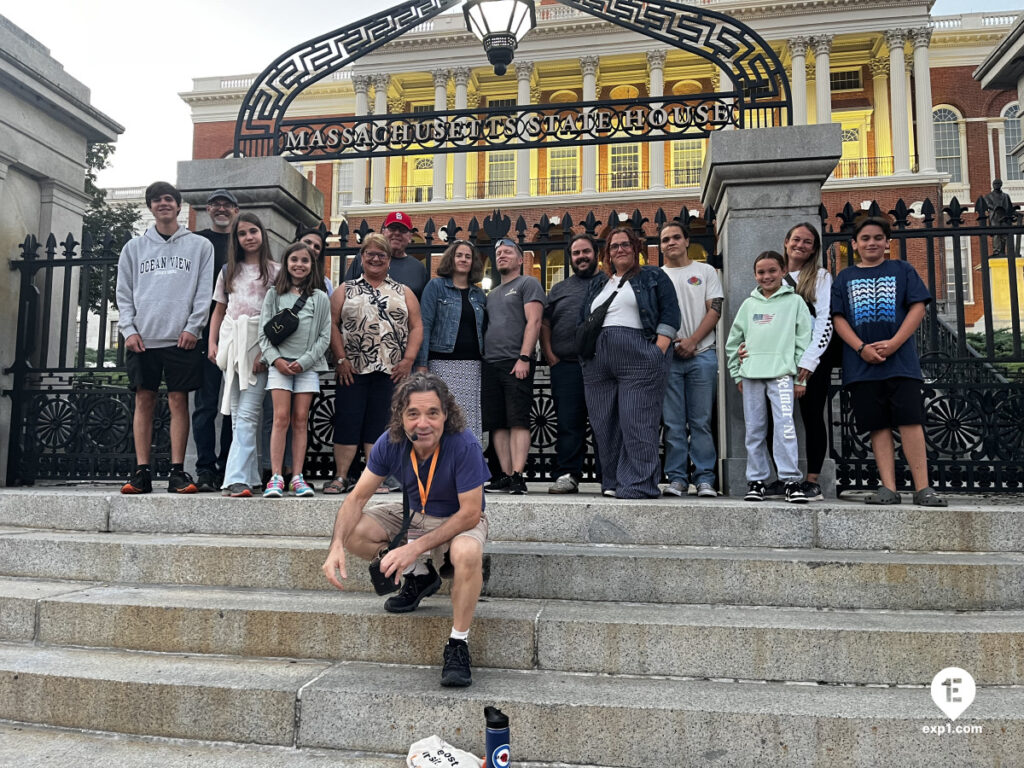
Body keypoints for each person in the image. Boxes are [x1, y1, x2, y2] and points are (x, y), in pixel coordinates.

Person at [322, 372, 490, 687]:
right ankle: (421, 575)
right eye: (413, 414)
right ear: (401, 416)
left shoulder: (464, 443)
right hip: (414, 514)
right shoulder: (391, 441)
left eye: (432, 413)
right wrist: (335, 546)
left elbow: (471, 513)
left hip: (457, 519)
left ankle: (458, 643)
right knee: (354, 530)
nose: (422, 423)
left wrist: (412, 547)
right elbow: (356, 498)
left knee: (467, 552)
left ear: (446, 414)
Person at [830, 216, 947, 507]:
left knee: (910, 421)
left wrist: (895, 343)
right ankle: (889, 487)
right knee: (878, 425)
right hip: (862, 366)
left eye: (878, 238)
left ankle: (923, 488)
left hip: (901, 363)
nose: (872, 243)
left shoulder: (902, 269)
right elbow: (838, 318)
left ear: (887, 242)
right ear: (855, 244)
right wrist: (860, 348)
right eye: (865, 238)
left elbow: (918, 307)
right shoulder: (844, 278)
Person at [117, 181, 214, 494]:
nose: (163, 204)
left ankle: (177, 471)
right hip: (143, 339)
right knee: (143, 400)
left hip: (181, 338)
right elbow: (124, 293)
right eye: (157, 200)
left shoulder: (200, 246)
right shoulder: (133, 248)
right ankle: (141, 472)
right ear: (150, 207)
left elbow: (204, 290)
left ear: (178, 205)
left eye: (169, 199)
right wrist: (128, 330)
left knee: (178, 401)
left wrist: (194, 327)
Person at [580, 226, 679, 499]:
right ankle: (612, 481)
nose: (620, 249)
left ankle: (638, 484)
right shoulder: (599, 283)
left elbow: (670, 315)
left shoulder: (653, 276)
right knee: (605, 423)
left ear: (636, 248)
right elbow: (583, 320)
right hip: (599, 361)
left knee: (637, 421)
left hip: (639, 356)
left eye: (625, 244)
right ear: (607, 254)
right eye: (614, 246)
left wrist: (656, 352)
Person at [324, 234, 423, 494]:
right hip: (352, 369)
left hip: (390, 370)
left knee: (380, 423)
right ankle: (342, 476)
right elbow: (332, 324)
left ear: (389, 260)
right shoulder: (345, 289)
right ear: (362, 257)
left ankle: (373, 477)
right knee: (348, 419)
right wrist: (341, 358)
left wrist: (408, 360)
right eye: (371, 254)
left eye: (382, 255)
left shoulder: (403, 292)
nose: (376, 258)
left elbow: (417, 327)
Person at [726, 250, 813, 504]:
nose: (767, 276)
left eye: (772, 270)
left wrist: (800, 378)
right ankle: (756, 480)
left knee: (785, 428)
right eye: (761, 272)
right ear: (755, 275)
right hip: (751, 375)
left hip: (782, 375)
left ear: (783, 271)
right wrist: (736, 374)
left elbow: (803, 340)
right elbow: (734, 342)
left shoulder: (795, 302)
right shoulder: (749, 305)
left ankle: (791, 480)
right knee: (754, 429)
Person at [207, 213, 279, 497]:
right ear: (235, 239)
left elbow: (278, 315)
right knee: (238, 416)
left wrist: (266, 350)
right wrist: (212, 343)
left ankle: (234, 479)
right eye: (242, 233)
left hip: (258, 343)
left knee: (248, 414)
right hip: (231, 343)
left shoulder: (276, 270)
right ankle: (250, 477)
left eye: (253, 231)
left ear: (262, 233)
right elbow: (219, 310)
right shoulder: (228, 270)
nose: (248, 237)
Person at [258, 242, 331, 498]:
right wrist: (275, 360)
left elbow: (324, 335)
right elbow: (264, 333)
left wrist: (306, 361)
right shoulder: (274, 295)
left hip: (306, 366)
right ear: (286, 263)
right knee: (280, 418)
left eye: (305, 261)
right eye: (294, 260)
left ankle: (297, 476)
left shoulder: (320, 297)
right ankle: (276, 476)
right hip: (280, 365)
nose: (299, 265)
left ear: (312, 266)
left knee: (301, 420)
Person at [659, 220, 723, 498]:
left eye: (675, 237)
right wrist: (673, 343)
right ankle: (677, 478)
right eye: (665, 240)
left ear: (687, 241)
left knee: (700, 421)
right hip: (668, 358)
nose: (670, 243)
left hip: (702, 355)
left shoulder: (705, 271)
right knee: (672, 423)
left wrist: (693, 340)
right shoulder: (656, 276)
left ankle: (705, 477)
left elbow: (715, 309)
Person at [481, 237, 546, 495]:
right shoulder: (492, 294)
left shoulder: (528, 283)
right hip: (491, 363)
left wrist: (525, 357)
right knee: (497, 423)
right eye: (498, 253)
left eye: (508, 252)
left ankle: (519, 474)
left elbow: (535, 322)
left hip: (515, 362)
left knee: (518, 420)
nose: (502, 256)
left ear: (520, 260)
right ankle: (506, 475)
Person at [540, 233, 602, 494]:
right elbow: (545, 322)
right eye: (576, 253)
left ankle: (608, 475)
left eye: (586, 251)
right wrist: (551, 355)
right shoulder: (560, 289)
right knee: (568, 423)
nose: (581, 257)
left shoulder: (610, 283)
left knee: (604, 422)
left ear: (595, 254)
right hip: (565, 365)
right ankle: (568, 474)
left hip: (600, 365)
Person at [415, 239, 486, 443]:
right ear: (451, 259)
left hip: (473, 366)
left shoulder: (478, 294)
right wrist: (422, 364)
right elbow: (425, 325)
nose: (463, 259)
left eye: (468, 256)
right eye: (459, 255)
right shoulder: (436, 286)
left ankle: (465, 468)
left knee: (468, 420)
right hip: (441, 365)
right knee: (441, 417)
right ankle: (438, 467)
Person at [193, 189, 239, 491]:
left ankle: (227, 466)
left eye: (227, 204)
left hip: (236, 333)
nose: (221, 209)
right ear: (208, 209)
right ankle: (205, 467)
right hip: (203, 333)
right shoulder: (196, 242)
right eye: (216, 204)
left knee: (233, 405)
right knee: (206, 404)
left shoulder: (244, 243)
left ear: (235, 210)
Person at [344, 211, 428, 299]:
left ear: (410, 237)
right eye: (392, 228)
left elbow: (423, 305)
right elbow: (346, 292)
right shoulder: (367, 259)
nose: (397, 233)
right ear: (383, 232)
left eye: (402, 230)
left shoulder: (419, 268)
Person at [297, 224, 334, 295]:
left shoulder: (326, 284)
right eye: (307, 242)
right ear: (297, 242)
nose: (311, 248)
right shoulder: (278, 274)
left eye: (317, 247)